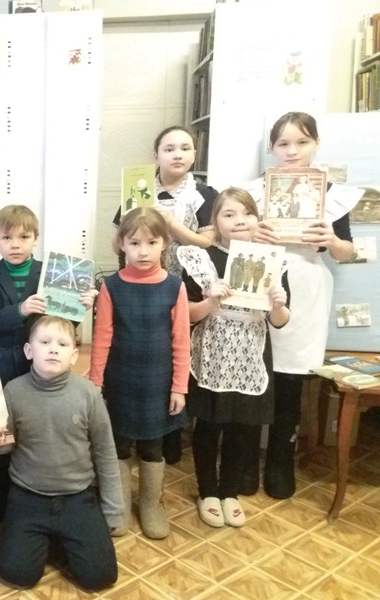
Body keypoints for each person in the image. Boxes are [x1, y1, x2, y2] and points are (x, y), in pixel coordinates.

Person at [0, 316, 122, 591]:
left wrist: (114, 510)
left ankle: (57, 537)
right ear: (28, 350)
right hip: (27, 497)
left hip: (77, 497)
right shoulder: (14, 391)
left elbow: (106, 452)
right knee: (17, 574)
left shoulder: (88, 394)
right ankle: (47, 538)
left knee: (100, 576)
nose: (53, 349)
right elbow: (4, 448)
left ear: (73, 355)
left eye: (62, 344)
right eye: (44, 342)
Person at [244, 112, 354, 499]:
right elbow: (227, 236)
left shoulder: (332, 193)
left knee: (289, 381)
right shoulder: (253, 192)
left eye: (302, 142)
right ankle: (244, 463)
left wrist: (331, 240)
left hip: (307, 287)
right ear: (272, 148)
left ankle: (280, 462)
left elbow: (346, 252)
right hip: (259, 281)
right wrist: (251, 232)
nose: (292, 151)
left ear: (316, 144)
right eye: (283, 143)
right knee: (251, 374)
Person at [0, 204, 97, 526]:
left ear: (35, 239)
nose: (15, 244)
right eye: (7, 238)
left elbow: (63, 323)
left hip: (39, 366)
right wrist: (20, 310)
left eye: (24, 237)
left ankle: (24, 495)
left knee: (34, 429)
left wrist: (81, 307)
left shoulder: (52, 272)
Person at [177, 188, 290, 528]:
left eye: (247, 213)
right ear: (215, 222)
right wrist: (210, 300)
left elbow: (280, 321)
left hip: (251, 353)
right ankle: (207, 491)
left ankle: (230, 492)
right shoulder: (200, 258)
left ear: (257, 218)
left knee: (243, 425)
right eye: (229, 214)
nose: (239, 220)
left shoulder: (273, 260)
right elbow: (187, 315)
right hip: (211, 351)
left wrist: (279, 304)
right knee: (209, 424)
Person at [114, 126, 218, 465]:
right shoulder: (137, 185)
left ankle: (169, 434)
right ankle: (132, 433)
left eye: (185, 148)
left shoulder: (205, 193)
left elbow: (208, 242)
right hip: (137, 283)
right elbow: (118, 240)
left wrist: (172, 225)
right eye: (169, 148)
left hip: (184, 285)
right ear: (156, 154)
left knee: (175, 354)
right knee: (138, 353)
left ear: (194, 154)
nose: (177, 154)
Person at [89, 207, 189, 539]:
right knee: (118, 444)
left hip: (158, 384)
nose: (143, 251)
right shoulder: (111, 286)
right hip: (120, 381)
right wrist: (95, 382)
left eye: (151, 242)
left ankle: (150, 503)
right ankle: (117, 504)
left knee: (152, 446)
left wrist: (179, 387)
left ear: (165, 243)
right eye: (134, 243)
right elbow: (102, 338)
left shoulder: (175, 287)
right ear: (121, 244)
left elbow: (181, 341)